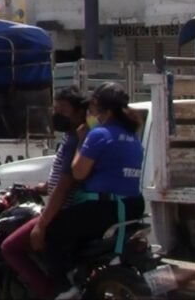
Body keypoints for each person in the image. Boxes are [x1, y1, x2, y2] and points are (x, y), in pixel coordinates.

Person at [45, 82, 145, 300]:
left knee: (51, 230)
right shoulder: (132, 136)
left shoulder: (98, 134)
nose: (91, 114)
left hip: (103, 207)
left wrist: (81, 142)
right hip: (133, 205)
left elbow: (78, 172)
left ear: (105, 111)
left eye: (93, 109)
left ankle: (65, 288)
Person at [0, 86, 89, 299]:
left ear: (78, 111)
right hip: (64, 206)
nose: (57, 114)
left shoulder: (75, 140)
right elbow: (58, 180)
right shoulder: (70, 138)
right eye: (55, 109)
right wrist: (39, 187)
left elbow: (65, 184)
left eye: (63, 109)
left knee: (10, 247)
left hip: (62, 210)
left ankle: (52, 292)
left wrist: (42, 223)